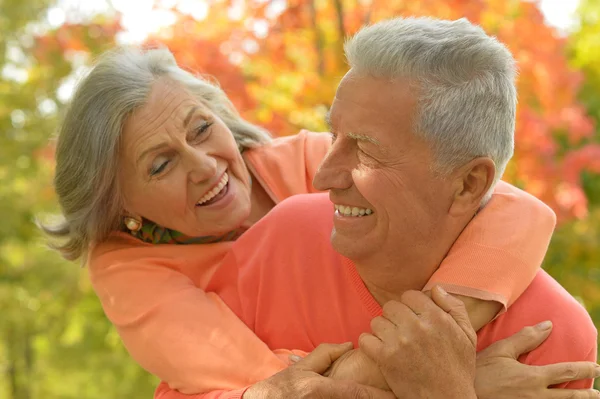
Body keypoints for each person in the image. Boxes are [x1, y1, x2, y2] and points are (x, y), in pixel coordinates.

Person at [42, 27, 593, 399]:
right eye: (161, 165)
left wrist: (438, 333)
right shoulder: (129, 271)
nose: (205, 166)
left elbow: (512, 207)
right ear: (119, 203)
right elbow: (273, 388)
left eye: (201, 130)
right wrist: (457, 381)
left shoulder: (303, 162)